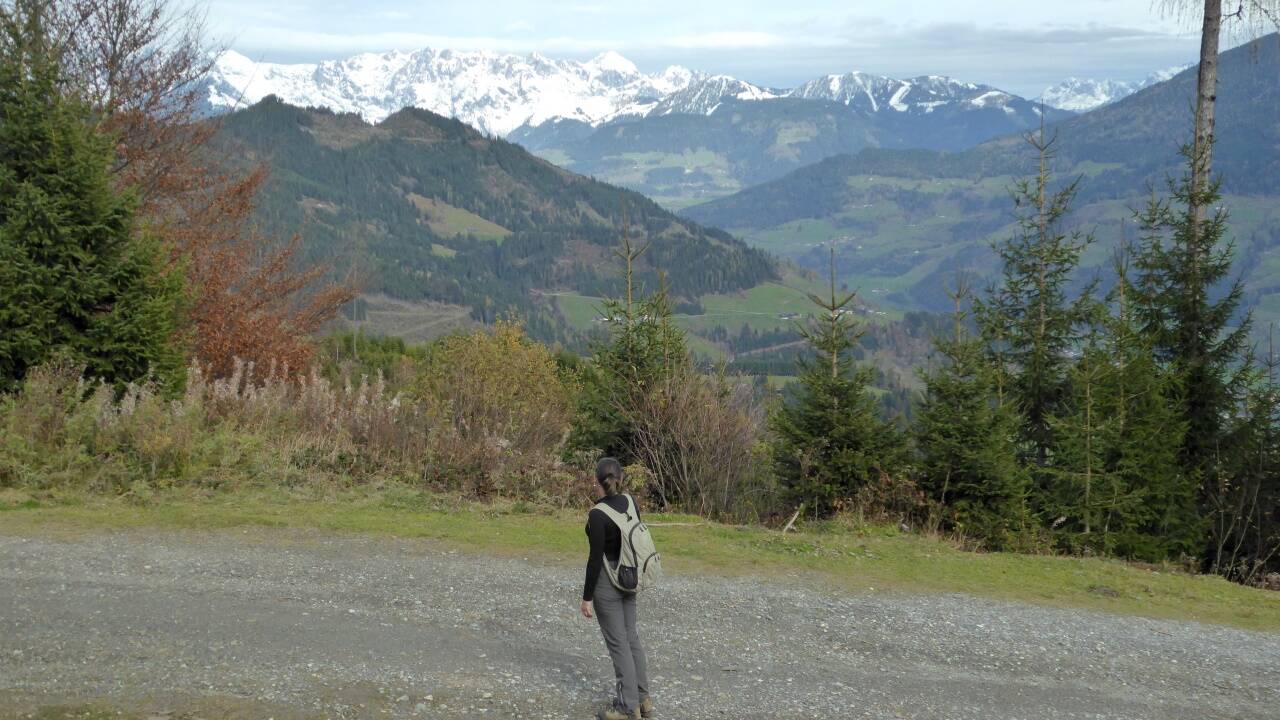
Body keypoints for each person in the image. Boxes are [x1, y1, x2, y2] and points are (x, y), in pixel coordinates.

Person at [581, 457, 653, 720]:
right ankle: (643, 699)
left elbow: (594, 559)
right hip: (631, 576)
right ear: (621, 478)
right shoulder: (631, 502)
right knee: (631, 637)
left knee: (618, 644)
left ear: (596, 481)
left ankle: (626, 708)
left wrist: (587, 598)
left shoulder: (597, 514)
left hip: (607, 582)